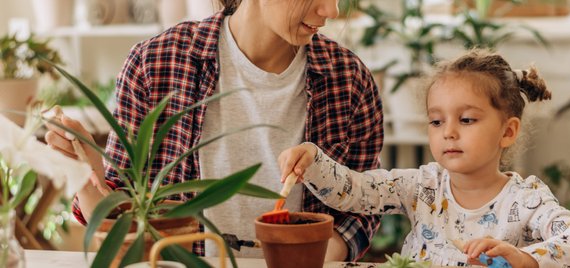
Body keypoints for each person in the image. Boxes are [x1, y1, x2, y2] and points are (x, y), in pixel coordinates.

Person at [44, 0, 383, 261]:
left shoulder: (349, 79)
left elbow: (364, 207)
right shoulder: (155, 63)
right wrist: (84, 169)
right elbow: (121, 226)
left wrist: (311, 260)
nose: (332, 10)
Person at [278, 49, 570, 267]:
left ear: (507, 131)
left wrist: (524, 259)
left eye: (466, 120)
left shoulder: (526, 199)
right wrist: (313, 160)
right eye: (436, 121)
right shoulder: (423, 185)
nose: (448, 132)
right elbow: (354, 191)